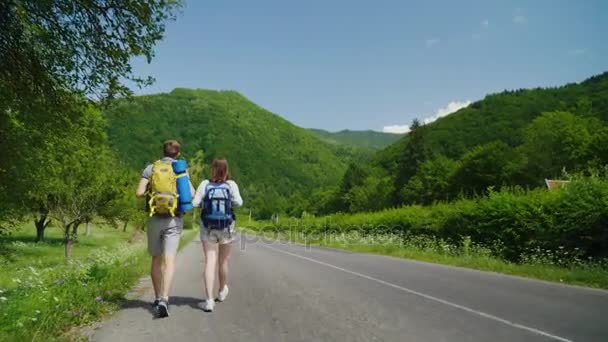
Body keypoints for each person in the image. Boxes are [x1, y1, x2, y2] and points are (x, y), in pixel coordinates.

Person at [136, 140, 194, 318]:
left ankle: (156, 296)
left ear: (163, 152)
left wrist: (151, 192)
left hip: (154, 218)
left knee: (156, 259)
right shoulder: (180, 169)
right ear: (178, 154)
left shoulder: (150, 168)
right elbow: (191, 194)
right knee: (169, 260)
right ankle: (164, 299)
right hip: (173, 220)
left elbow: (139, 193)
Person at [192, 158, 243, 312]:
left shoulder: (204, 184)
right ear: (226, 170)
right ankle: (221, 291)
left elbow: (194, 203)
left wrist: (203, 202)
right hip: (226, 227)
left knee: (210, 261)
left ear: (212, 170)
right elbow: (239, 203)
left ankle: (208, 301)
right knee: (223, 261)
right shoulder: (231, 185)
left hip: (208, 226)